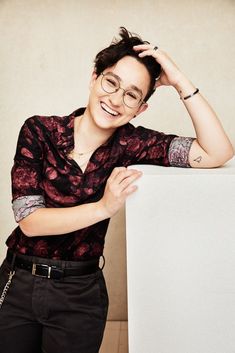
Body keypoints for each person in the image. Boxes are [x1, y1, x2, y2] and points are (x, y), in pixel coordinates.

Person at [0, 27, 234, 353]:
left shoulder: (132, 143)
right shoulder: (39, 130)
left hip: (79, 293)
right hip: (18, 281)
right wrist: (103, 208)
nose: (115, 99)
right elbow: (30, 220)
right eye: (111, 82)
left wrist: (179, 79)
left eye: (132, 94)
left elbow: (217, 152)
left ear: (139, 109)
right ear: (94, 77)